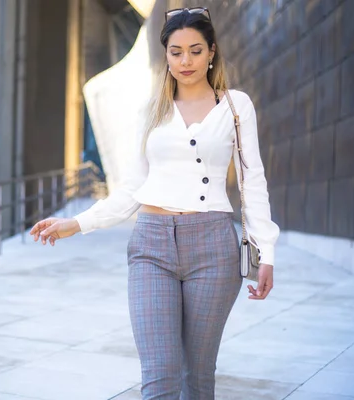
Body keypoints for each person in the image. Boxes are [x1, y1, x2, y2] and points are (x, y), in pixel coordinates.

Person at [30, 6, 280, 399]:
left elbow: (253, 182)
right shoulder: (152, 110)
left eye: (195, 50)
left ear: (212, 52)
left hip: (213, 248)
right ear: (165, 55)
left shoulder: (235, 106)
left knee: (197, 378)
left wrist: (266, 253)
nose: (186, 60)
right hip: (152, 246)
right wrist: (76, 223)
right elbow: (132, 187)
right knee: (160, 376)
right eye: (176, 51)